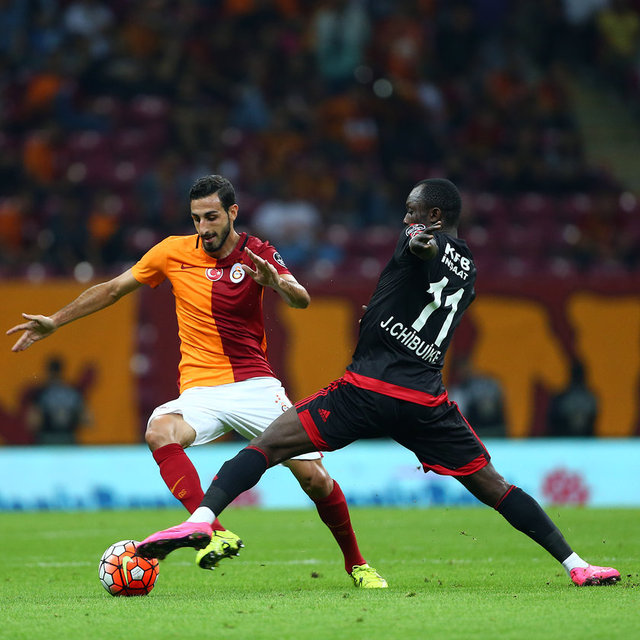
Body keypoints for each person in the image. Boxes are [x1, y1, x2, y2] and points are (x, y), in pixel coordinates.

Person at [136, 178, 620, 588]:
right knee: (494, 485)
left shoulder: (420, 239)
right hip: (425, 401)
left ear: (433, 216)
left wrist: (421, 245)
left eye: (412, 211)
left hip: (366, 390)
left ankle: (202, 520)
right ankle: (577, 566)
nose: (406, 219)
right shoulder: (470, 269)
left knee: (265, 447)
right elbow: (432, 288)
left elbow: (421, 246)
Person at [7, 174, 387, 589]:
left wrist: (274, 282)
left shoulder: (257, 252)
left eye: (211, 217)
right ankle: (211, 530)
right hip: (201, 391)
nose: (203, 228)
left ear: (232, 212)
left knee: (315, 480)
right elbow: (113, 289)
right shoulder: (172, 251)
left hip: (255, 386)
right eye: (196, 218)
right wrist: (55, 321)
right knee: (159, 430)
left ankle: (357, 564)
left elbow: (302, 298)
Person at [26, 355, 91, 445]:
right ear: (62, 371)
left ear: (48, 371)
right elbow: (87, 419)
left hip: (47, 439)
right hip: (68, 438)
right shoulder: (73, 392)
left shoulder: (41, 392)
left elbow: (33, 422)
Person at [448, 357, 507, 438]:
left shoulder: (487, 383)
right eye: (459, 370)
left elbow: (493, 407)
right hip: (475, 433)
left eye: (465, 368)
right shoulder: (457, 391)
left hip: (494, 430)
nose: (462, 371)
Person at [547, 359, 598, 437]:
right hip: (565, 437)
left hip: (585, 438)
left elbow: (593, 420)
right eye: (576, 376)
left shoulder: (590, 398)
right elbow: (553, 420)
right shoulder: (561, 398)